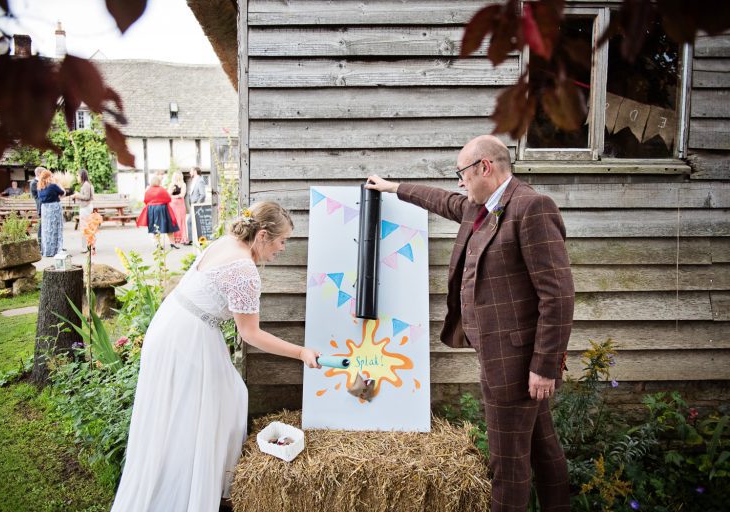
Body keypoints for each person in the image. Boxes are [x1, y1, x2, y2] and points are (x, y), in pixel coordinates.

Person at [366, 135, 574, 512]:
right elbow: (443, 201)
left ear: (485, 168)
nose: (459, 182)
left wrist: (544, 367)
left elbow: (558, 295)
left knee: (507, 465)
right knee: (543, 447)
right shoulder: (483, 207)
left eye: (462, 173)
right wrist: (394, 188)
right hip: (500, 355)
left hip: (516, 363)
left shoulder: (531, 208)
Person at [111, 201, 322, 511]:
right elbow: (250, 333)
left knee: (227, 397)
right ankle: (188, 493)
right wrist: (301, 352)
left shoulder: (229, 242)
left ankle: (207, 485)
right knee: (202, 412)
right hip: (186, 336)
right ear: (262, 234)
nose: (283, 248)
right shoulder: (244, 270)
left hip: (176, 323)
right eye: (281, 241)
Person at [136, 175, 180, 249]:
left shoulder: (148, 190)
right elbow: (168, 199)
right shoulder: (161, 189)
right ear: (158, 182)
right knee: (169, 226)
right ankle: (172, 243)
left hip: (152, 210)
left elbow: (146, 200)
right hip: (162, 209)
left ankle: (158, 244)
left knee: (155, 228)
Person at [37, 169, 66, 257]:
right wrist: (58, 184)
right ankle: (56, 249)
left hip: (45, 209)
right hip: (54, 208)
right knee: (56, 229)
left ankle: (46, 250)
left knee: (46, 230)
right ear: (48, 177)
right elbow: (63, 192)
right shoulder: (53, 186)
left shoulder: (39, 187)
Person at [73, 169, 95, 254]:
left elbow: (86, 197)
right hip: (87, 207)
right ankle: (90, 246)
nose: (77, 177)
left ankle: (85, 247)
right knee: (88, 227)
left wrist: (77, 195)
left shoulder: (86, 185)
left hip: (85, 208)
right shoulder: (87, 184)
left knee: (84, 228)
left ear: (82, 176)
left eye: (77, 175)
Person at [187, 166, 206, 244]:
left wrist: (197, 204)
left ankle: (191, 240)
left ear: (195, 171)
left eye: (191, 171)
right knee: (194, 222)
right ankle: (194, 239)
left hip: (196, 205)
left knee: (190, 222)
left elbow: (203, 195)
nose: (189, 172)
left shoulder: (200, 181)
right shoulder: (194, 180)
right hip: (193, 204)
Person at [169, 171, 189, 245]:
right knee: (174, 220)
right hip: (173, 205)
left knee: (181, 220)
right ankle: (175, 238)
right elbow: (169, 194)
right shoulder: (172, 184)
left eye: (178, 176)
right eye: (176, 176)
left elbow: (182, 194)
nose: (177, 177)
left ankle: (182, 238)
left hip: (180, 205)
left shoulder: (183, 184)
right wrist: (172, 190)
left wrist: (174, 196)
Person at [30, 167, 46, 244]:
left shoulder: (41, 182)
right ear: (39, 173)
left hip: (45, 206)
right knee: (41, 225)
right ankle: (40, 242)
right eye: (44, 172)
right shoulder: (34, 183)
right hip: (41, 206)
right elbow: (39, 196)